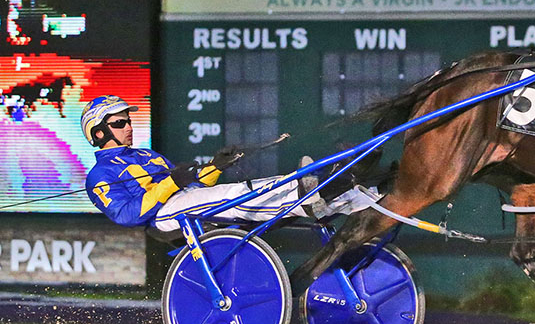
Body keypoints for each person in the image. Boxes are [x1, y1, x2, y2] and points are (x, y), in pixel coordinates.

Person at [81, 95, 370, 233]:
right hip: (163, 218)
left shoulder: (147, 155)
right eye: (120, 123)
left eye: (128, 120)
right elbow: (127, 215)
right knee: (232, 196)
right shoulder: (100, 175)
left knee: (245, 188)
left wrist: (215, 167)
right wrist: (172, 182)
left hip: (184, 202)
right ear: (99, 133)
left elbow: (193, 187)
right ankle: (304, 194)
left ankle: (349, 197)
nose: (128, 126)